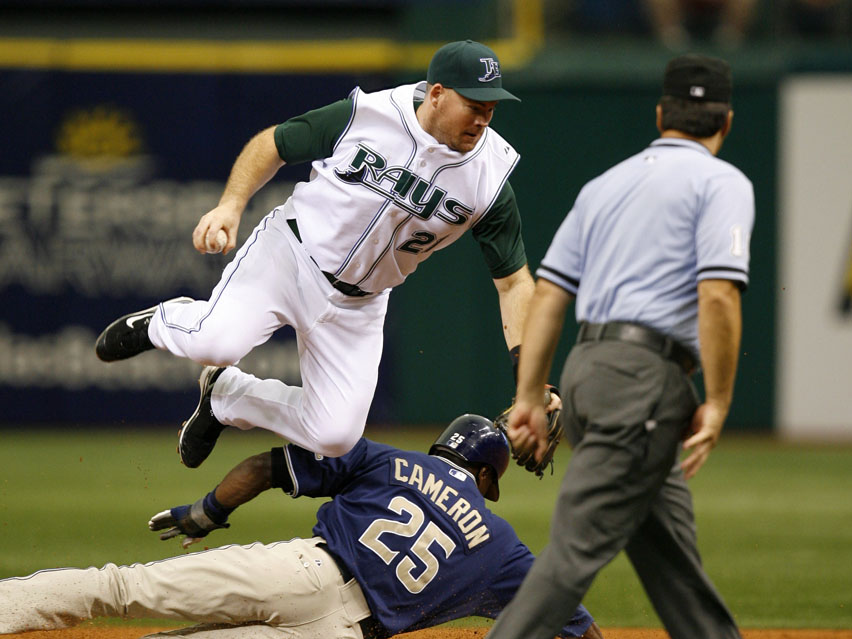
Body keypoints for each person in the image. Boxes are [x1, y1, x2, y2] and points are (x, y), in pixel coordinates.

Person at [449, 55, 812, 639]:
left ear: (658, 117)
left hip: (590, 368)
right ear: (726, 123)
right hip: (645, 378)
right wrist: (721, 399)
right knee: (580, 543)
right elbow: (717, 295)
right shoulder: (721, 181)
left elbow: (550, 293)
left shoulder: (607, 183)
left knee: (667, 538)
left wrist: (531, 392)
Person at [94, 39, 536, 469]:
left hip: (359, 304)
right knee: (216, 342)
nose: (483, 120)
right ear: (437, 94)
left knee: (336, 437)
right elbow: (274, 143)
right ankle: (159, 321)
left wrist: (529, 372)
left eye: (491, 109)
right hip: (290, 256)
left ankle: (227, 397)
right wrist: (231, 204)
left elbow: (514, 282)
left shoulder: (490, 179)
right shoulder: (371, 114)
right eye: (474, 107)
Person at [0, 415, 664, 639]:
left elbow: (268, 465)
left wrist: (209, 511)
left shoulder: (388, 461)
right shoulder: (501, 548)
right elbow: (563, 613)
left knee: (118, 586)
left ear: (442, 451)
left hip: (303, 570)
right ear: (488, 477)